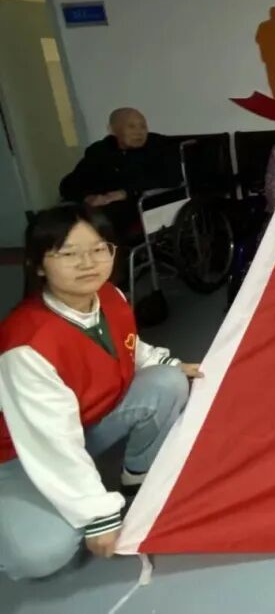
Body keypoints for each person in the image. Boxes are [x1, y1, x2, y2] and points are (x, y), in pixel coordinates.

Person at [0, 206, 201, 580]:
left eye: (98, 249)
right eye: (68, 253)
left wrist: (167, 362)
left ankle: (137, 477)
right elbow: (49, 440)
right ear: (38, 265)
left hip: (79, 425)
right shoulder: (26, 345)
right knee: (43, 554)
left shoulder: (109, 296)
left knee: (167, 381)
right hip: (19, 453)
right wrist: (98, 516)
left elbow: (128, 346)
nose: (87, 263)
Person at [59, 108, 181, 243]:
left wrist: (125, 193)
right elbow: (69, 184)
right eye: (131, 127)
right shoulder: (99, 151)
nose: (139, 132)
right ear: (112, 130)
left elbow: (171, 178)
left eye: (143, 126)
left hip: (138, 204)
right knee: (61, 220)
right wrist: (88, 197)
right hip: (99, 204)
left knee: (98, 222)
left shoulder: (159, 146)